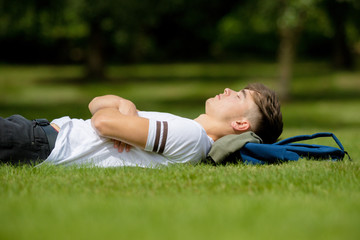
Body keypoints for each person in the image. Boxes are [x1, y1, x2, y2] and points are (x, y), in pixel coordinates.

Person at [0, 83, 283, 168]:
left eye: (240, 96)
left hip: (42, 144)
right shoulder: (188, 128)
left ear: (241, 123)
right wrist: (123, 104)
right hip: (38, 135)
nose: (228, 89)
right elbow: (96, 103)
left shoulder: (193, 137)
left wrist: (120, 113)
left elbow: (101, 120)